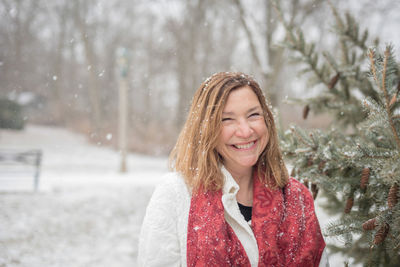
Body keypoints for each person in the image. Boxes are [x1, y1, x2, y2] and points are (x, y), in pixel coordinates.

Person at [138, 72, 329, 266]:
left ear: (267, 120)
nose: (245, 131)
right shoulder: (176, 193)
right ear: (206, 128)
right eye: (227, 119)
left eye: (253, 115)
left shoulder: (297, 197)